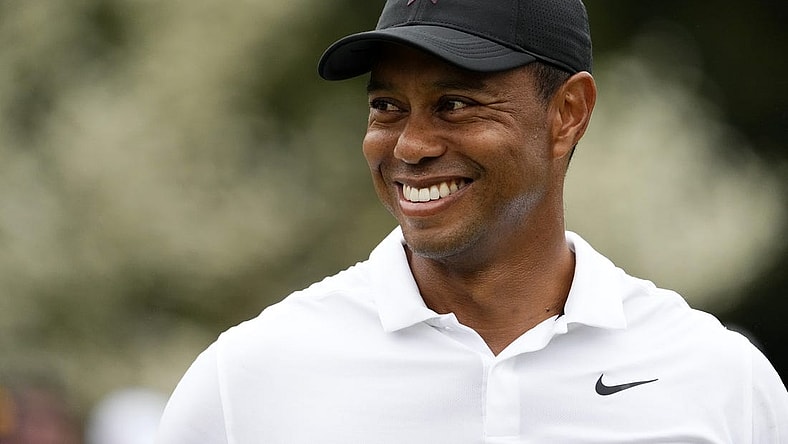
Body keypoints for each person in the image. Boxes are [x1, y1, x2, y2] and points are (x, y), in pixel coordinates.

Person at [157, 0, 788, 442]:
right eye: (387, 107)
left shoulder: (718, 380)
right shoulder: (249, 379)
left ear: (567, 113)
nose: (409, 146)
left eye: (454, 103)